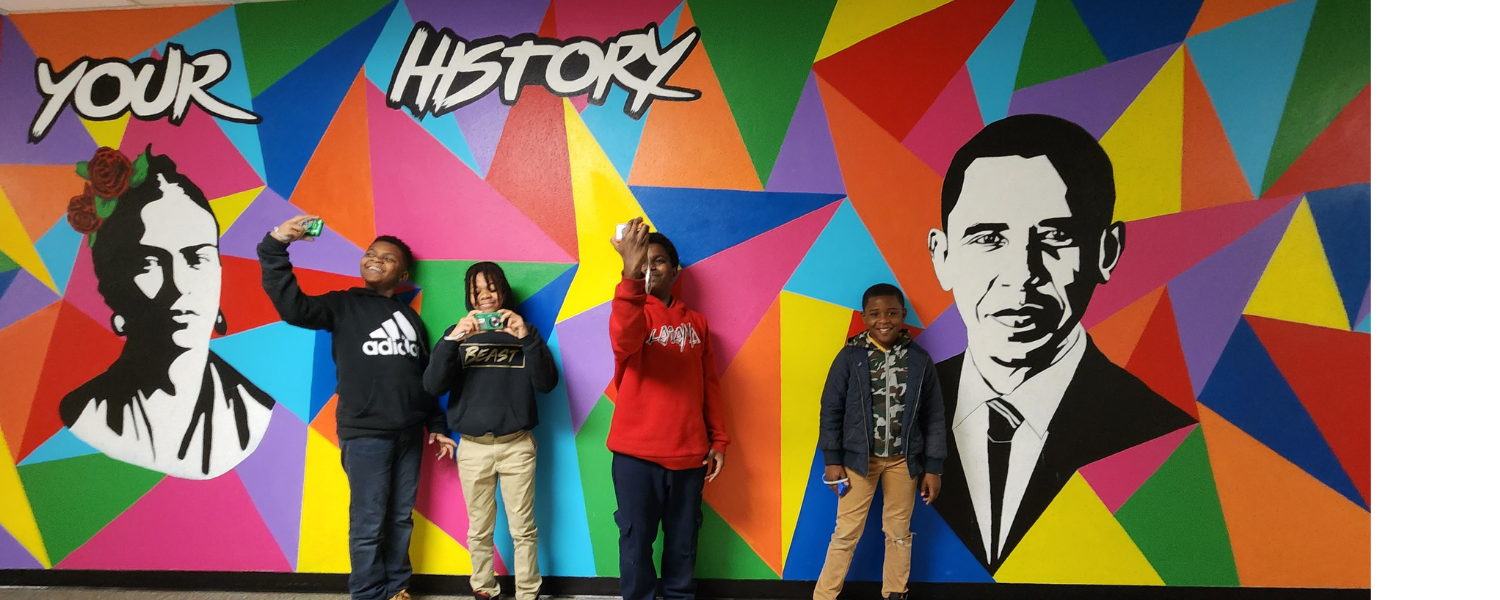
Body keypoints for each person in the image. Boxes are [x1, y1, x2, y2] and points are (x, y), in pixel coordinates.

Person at [925, 114, 1197, 572]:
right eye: (988, 238)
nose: (1021, 274)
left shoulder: (1162, 434)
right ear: (943, 256)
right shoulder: (906, 405)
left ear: (1105, 253)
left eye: (1054, 237)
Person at [258, 214, 456, 600]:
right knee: (368, 523)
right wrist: (276, 244)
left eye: (389, 258)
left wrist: (436, 423)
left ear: (403, 276)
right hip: (365, 433)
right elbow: (292, 307)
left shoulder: (412, 320)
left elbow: (423, 377)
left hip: (409, 434)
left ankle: (398, 588)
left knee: (400, 519)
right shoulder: (342, 304)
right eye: (371, 253)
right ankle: (368, 593)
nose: (376, 259)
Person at [60, 147, 274, 480]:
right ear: (114, 286)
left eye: (196, 258)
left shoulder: (254, 410)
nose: (180, 284)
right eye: (150, 262)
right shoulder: (87, 412)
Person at [607, 218, 729, 600]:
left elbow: (709, 384)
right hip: (635, 457)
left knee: (683, 543)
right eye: (642, 260)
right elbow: (623, 340)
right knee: (636, 543)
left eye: (658, 261)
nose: (649, 267)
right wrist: (630, 274)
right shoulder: (632, 312)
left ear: (675, 271)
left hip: (689, 457)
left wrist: (719, 440)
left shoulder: (698, 323)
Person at [423, 262, 559, 600]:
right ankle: (483, 588)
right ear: (469, 295)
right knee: (478, 529)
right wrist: (452, 340)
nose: (484, 296)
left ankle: (529, 592)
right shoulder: (456, 334)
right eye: (477, 290)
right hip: (472, 446)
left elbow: (547, 383)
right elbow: (432, 384)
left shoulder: (526, 332)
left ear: (504, 290)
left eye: (491, 288)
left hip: (517, 445)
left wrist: (525, 336)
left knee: (523, 528)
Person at [814, 284, 945, 600]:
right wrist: (832, 461)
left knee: (899, 532)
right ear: (864, 317)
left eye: (891, 312)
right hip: (859, 460)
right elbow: (830, 408)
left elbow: (935, 415)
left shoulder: (919, 360)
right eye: (875, 314)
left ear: (903, 315)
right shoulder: (850, 357)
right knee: (846, 532)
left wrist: (933, 467)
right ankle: (824, 596)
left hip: (904, 461)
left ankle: (895, 593)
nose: (883, 320)